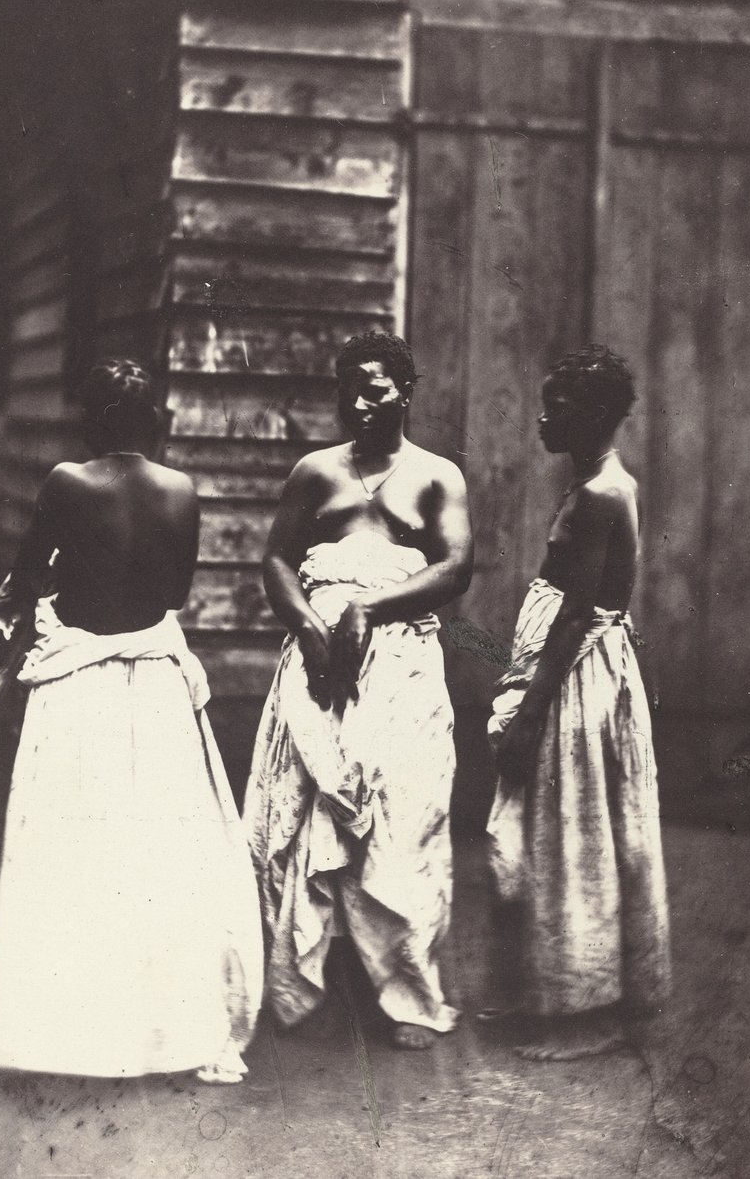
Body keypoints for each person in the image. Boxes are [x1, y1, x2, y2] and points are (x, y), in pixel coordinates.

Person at [0, 359, 263, 1082]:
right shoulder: (181, 489)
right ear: (152, 420)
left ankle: (69, 1031)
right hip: (155, 681)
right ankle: (162, 1030)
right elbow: (175, 591)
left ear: (95, 419)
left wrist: (23, 646)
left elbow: (26, 576)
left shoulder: (67, 482)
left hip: (80, 682)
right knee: (155, 852)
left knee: (73, 847)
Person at [244, 331, 473, 1050]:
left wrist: (368, 609)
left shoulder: (437, 476)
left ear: (406, 391)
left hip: (400, 668)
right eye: (349, 393)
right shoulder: (316, 472)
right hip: (319, 669)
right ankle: (311, 974)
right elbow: (276, 560)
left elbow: (456, 566)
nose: (360, 406)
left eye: (375, 391)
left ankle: (404, 990)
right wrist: (311, 626)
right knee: (310, 812)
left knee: (402, 817)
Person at [484, 345, 671, 1060]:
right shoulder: (594, 482)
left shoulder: (601, 494)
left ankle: (588, 1013)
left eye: (556, 409)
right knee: (554, 832)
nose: (541, 419)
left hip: (574, 678)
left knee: (575, 835)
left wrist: (531, 713)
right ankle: (548, 991)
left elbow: (577, 615)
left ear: (593, 416)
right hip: (574, 666)